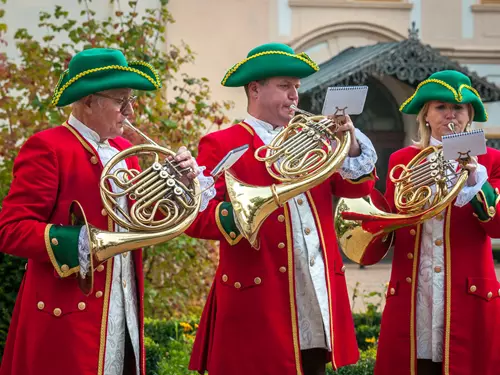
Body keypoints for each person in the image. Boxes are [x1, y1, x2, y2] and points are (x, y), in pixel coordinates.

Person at [0, 48, 214, 375]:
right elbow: (11, 230)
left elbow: (138, 219)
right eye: (120, 101)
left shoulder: (126, 152)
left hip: (124, 310)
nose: (129, 111)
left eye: (130, 101)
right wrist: (81, 243)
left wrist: (179, 187)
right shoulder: (49, 147)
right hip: (69, 317)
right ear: (88, 101)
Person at [184, 42, 378, 375]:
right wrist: (241, 217)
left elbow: (356, 187)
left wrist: (352, 143)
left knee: (313, 365)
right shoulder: (222, 143)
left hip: (317, 289)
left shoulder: (314, 137)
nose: (294, 96)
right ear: (255, 89)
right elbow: (197, 218)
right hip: (259, 294)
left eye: (297, 88)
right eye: (284, 86)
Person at [372, 70, 500, 375]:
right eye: (441, 107)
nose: (450, 115)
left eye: (458, 108)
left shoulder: (492, 160)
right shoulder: (403, 159)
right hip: (415, 292)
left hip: (468, 294)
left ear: (469, 115)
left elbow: (497, 227)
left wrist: (475, 180)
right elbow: (393, 217)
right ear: (426, 115)